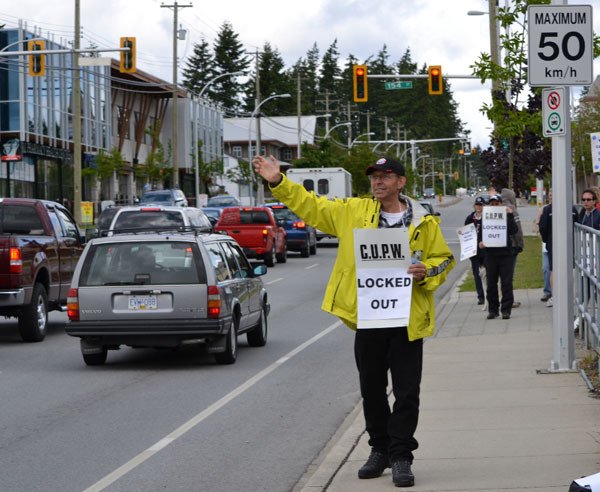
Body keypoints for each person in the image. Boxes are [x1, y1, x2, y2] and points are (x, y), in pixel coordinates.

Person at [252, 155, 454, 488]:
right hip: (370, 317)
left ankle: (402, 456)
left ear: (401, 182)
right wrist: (279, 182)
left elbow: (443, 260)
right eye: (374, 176)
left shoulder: (423, 222)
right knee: (371, 388)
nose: (377, 181)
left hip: (407, 320)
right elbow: (312, 206)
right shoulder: (353, 212)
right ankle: (380, 449)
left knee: (406, 393)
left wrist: (426, 272)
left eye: (386, 176)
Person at [480, 194, 518, 320]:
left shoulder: (507, 216)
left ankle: (506, 310)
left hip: (505, 254)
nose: (494, 206)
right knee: (491, 284)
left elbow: (514, 230)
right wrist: (480, 243)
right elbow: (480, 235)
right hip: (490, 255)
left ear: (501, 204)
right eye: (492, 204)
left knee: (506, 283)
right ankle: (493, 310)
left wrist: (510, 214)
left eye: (497, 204)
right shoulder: (485, 217)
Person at [501, 188, 524, 308]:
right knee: (509, 275)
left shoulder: (497, 208)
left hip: (499, 247)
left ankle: (502, 298)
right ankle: (509, 300)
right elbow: (517, 229)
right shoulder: (512, 209)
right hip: (512, 245)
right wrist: (520, 244)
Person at [464, 196, 486, 305]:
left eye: (481, 205)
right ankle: (481, 296)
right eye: (477, 205)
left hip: (486, 251)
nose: (479, 207)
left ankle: (489, 294)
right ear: (474, 206)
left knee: (488, 274)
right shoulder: (470, 218)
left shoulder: (487, 217)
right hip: (474, 252)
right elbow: (465, 233)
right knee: (477, 274)